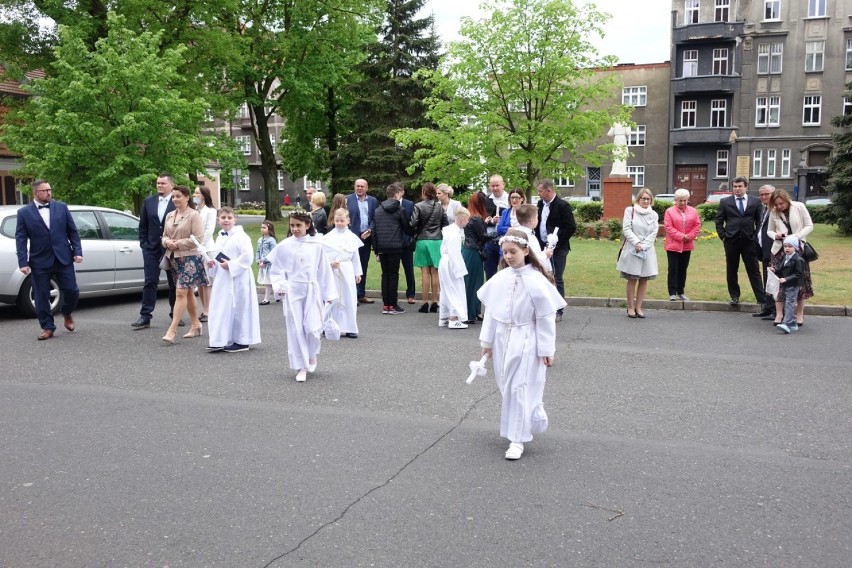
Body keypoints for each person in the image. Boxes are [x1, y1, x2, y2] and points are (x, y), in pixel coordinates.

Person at [477, 229, 566, 460]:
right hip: (501, 337)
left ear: (526, 251)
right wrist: (487, 342)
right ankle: (531, 410)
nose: (508, 256)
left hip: (526, 338)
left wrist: (547, 350)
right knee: (507, 387)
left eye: (513, 252)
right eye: (505, 252)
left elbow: (545, 317)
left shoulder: (537, 280)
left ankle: (517, 439)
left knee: (518, 388)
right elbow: (491, 313)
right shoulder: (500, 278)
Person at [266, 210, 337, 382]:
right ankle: (301, 365)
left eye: (299, 225)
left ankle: (311, 353)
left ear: (308, 225)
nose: (295, 229)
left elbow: (323, 270)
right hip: (293, 291)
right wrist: (281, 285)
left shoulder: (317, 245)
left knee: (312, 327)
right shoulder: (284, 246)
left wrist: (329, 294)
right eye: (292, 225)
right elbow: (276, 270)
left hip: (311, 289)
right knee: (295, 328)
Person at [15, 179, 83, 340]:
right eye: (44, 190)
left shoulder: (61, 207)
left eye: (49, 190)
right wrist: (22, 262)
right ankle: (47, 326)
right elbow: (21, 238)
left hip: (63, 257)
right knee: (41, 295)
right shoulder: (24, 213)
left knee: (72, 290)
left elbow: (72, 231)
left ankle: (67, 313)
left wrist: (77, 251)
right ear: (35, 193)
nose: (48, 193)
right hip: (40, 260)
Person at [205, 207, 261, 352]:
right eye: (223, 217)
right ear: (218, 220)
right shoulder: (220, 236)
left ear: (235, 219)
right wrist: (213, 264)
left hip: (239, 277)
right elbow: (218, 256)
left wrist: (231, 265)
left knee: (240, 307)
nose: (226, 220)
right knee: (221, 307)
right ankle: (220, 339)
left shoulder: (241, 236)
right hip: (223, 278)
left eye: (229, 217)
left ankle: (242, 341)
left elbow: (247, 256)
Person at [161, 186, 208, 344]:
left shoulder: (194, 215)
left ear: (187, 197)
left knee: (180, 292)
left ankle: (172, 330)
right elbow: (164, 236)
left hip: (190, 258)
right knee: (187, 293)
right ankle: (196, 324)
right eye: (173, 196)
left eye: (178, 196)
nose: (175, 199)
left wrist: (178, 244)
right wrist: (167, 242)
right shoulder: (169, 215)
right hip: (174, 258)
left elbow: (199, 238)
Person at [133, 173, 177, 329]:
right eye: (158, 183)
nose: (159, 186)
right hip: (151, 249)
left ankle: (175, 314)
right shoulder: (149, 202)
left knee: (173, 283)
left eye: (163, 183)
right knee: (150, 281)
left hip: (170, 249)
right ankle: (145, 316)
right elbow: (143, 226)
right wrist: (144, 244)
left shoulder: (176, 201)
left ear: (171, 185)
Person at [766, 188, 814, 326]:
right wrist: (775, 235)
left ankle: (799, 313)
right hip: (779, 249)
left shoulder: (799, 207)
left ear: (787, 200)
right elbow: (769, 230)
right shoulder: (774, 212)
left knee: (799, 282)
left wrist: (795, 237)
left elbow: (809, 226)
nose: (779, 207)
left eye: (781, 203)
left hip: (798, 249)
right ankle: (780, 313)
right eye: (776, 204)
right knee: (779, 283)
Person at [714, 176, 764, 306]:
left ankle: (761, 298)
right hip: (731, 241)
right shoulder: (725, 202)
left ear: (746, 187)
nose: (737, 189)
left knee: (753, 269)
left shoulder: (756, 201)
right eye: (735, 187)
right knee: (731, 269)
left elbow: (760, 221)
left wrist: (755, 235)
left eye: (740, 186)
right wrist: (723, 235)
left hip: (749, 241)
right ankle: (734, 296)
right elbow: (719, 220)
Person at [536, 179, 576, 322]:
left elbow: (571, 227)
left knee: (557, 277)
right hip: (542, 246)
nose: (538, 194)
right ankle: (545, 307)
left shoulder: (562, 205)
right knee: (543, 275)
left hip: (558, 248)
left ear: (549, 190)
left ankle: (558, 309)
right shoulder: (540, 204)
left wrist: (557, 242)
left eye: (540, 191)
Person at [616, 188, 659, 319]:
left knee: (644, 279)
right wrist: (637, 243)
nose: (645, 201)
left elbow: (654, 232)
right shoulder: (630, 211)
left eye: (648, 199)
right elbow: (627, 229)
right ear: (638, 199)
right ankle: (630, 307)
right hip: (633, 249)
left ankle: (639, 307)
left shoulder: (654, 214)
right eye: (643, 198)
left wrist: (644, 245)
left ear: (651, 200)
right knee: (632, 278)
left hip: (647, 250)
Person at [373, 182, 413, 315]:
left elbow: (375, 231)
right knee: (393, 275)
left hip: (382, 246)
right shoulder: (400, 210)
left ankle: (386, 305)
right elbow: (407, 228)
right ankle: (393, 304)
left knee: (385, 275)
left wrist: (376, 248)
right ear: (396, 195)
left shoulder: (378, 210)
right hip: (395, 246)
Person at [324, 208, 363, 338]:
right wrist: (330, 264)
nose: (340, 223)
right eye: (337, 221)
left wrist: (358, 273)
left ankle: (350, 326)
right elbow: (323, 256)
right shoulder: (328, 237)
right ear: (333, 221)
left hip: (346, 269)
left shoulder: (352, 237)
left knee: (349, 298)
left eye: (342, 221)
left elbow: (355, 256)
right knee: (332, 298)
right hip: (332, 270)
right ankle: (328, 324)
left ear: (348, 221)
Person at [410, 182, 447, 314]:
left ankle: (424, 302)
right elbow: (445, 224)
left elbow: (413, 223)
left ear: (424, 192)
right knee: (435, 272)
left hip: (422, 240)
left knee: (425, 272)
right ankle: (434, 302)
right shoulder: (440, 207)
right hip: (436, 240)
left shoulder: (418, 206)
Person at [663, 188, 701, 301]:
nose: (683, 203)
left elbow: (697, 225)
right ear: (675, 200)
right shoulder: (669, 211)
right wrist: (681, 236)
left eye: (685, 200)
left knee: (683, 269)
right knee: (673, 269)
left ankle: (681, 291)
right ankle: (672, 293)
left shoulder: (693, 211)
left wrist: (689, 236)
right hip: (673, 246)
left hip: (687, 245)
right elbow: (668, 227)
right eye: (680, 200)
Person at [346, 179, 378, 304]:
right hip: (351, 237)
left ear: (367, 188)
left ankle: (361, 294)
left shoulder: (373, 201)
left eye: (362, 186)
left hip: (366, 237)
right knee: (351, 266)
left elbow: (375, 217)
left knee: (363, 266)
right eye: (357, 186)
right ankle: (351, 295)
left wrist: (370, 229)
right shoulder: (348, 200)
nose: (359, 188)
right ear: (354, 187)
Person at [438, 207, 470, 329]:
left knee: (446, 290)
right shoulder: (454, 234)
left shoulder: (449, 230)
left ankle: (444, 317)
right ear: (462, 219)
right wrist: (459, 270)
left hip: (445, 261)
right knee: (455, 289)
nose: (467, 222)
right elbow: (454, 253)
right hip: (451, 262)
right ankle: (454, 318)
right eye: (467, 219)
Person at [461, 192, 490, 323]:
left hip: (468, 250)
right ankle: (471, 313)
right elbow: (483, 236)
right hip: (474, 252)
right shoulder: (477, 218)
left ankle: (474, 311)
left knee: (470, 282)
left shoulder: (470, 216)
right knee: (474, 283)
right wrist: (499, 234)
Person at [769, 235, 805, 334]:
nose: (787, 248)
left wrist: (786, 279)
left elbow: (799, 274)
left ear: (796, 248)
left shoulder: (798, 260)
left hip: (793, 285)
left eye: (790, 246)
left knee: (789, 304)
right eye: (785, 246)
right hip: (786, 285)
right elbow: (781, 269)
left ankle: (787, 323)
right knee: (786, 302)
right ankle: (793, 323)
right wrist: (775, 270)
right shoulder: (785, 257)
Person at [193, 185, 217, 322]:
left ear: (203, 195)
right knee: (200, 282)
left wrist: (199, 244)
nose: (194, 195)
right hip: (196, 249)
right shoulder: (195, 210)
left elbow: (209, 230)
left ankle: (208, 310)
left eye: (197, 193)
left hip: (206, 248)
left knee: (207, 281)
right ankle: (204, 308)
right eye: (194, 193)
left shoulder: (210, 211)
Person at [754, 184, 778, 320]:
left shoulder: (776, 209)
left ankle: (776, 310)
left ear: (773, 194)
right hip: (764, 251)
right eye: (761, 194)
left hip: (774, 251)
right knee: (767, 280)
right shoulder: (764, 209)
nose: (763, 197)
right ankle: (768, 308)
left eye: (766, 194)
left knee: (774, 281)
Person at [482, 175, 510, 279]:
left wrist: (502, 220)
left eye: (497, 185)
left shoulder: (510, 199)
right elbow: (481, 221)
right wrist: (491, 221)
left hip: (505, 241)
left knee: (506, 273)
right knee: (489, 274)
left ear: (503, 185)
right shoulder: (486, 200)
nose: (495, 188)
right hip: (490, 242)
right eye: (492, 186)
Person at [515, 203, 552, 270]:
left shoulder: (517, 232)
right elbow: (532, 258)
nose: (537, 219)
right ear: (532, 220)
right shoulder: (527, 236)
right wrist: (546, 254)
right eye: (537, 217)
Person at [400, 190, 417, 304]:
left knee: (409, 269)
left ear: (402, 192)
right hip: (393, 242)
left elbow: (413, 221)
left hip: (406, 242)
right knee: (392, 271)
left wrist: (411, 237)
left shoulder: (409, 204)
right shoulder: (387, 203)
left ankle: (411, 294)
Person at [256, 220, 278, 305]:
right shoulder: (260, 240)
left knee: (271, 282)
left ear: (269, 229)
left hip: (270, 265)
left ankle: (267, 298)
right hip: (262, 265)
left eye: (264, 227)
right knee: (268, 282)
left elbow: (274, 252)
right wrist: (258, 260)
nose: (262, 229)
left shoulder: (271, 240)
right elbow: (258, 251)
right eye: (261, 227)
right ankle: (276, 296)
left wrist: (265, 261)